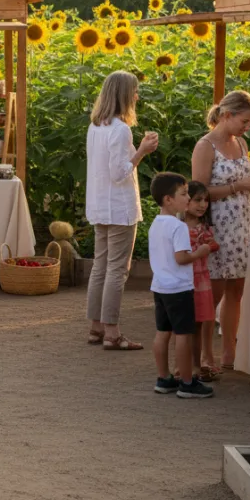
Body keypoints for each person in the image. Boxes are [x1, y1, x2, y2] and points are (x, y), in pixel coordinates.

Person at [191, 90, 250, 371]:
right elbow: (198, 193)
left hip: (244, 225)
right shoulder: (205, 146)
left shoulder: (241, 143)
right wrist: (239, 187)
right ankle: (204, 354)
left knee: (236, 290)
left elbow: (243, 183)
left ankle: (229, 352)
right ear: (227, 115)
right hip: (218, 228)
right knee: (212, 294)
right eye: (245, 121)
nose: (247, 127)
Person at [85, 71, 158, 351]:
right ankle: (112, 332)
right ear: (125, 95)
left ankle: (96, 327)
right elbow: (119, 172)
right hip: (119, 206)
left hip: (99, 204)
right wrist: (141, 151)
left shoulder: (96, 126)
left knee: (100, 267)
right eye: (135, 92)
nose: (138, 96)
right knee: (117, 270)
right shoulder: (120, 129)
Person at [147, 173, 214, 399]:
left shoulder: (155, 224)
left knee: (162, 333)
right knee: (184, 334)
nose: (187, 198)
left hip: (160, 286)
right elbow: (181, 258)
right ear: (168, 199)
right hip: (179, 287)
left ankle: (164, 377)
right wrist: (201, 252)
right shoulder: (178, 227)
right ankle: (186, 382)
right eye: (184, 194)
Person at [183, 181, 220, 382]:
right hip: (184, 281)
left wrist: (210, 246)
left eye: (206, 200)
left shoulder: (203, 226)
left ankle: (196, 365)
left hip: (201, 280)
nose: (203, 204)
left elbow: (212, 244)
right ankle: (180, 365)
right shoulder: (177, 227)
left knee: (198, 324)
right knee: (180, 327)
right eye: (197, 200)